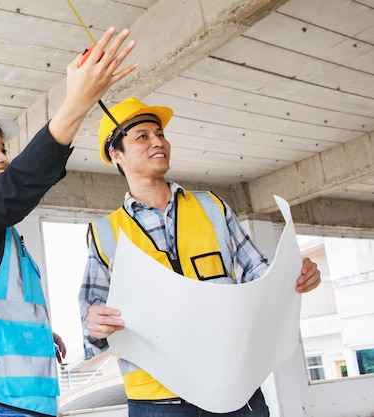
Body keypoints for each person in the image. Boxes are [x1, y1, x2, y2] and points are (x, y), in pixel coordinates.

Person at [0, 27, 137, 417]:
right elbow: (19, 185)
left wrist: (37, 336)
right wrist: (76, 102)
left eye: (3, 148)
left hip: (1, 397)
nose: (2, 157)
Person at [78, 96, 322, 417]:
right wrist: (95, 325)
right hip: (158, 400)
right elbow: (91, 324)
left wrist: (296, 276)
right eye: (143, 136)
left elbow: (261, 276)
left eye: (160, 133)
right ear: (116, 154)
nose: (158, 142)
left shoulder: (213, 208)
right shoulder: (105, 233)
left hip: (233, 389)